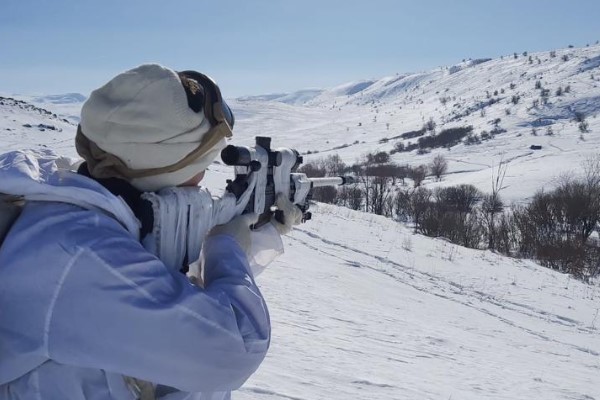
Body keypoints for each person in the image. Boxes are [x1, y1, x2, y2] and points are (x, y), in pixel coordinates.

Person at [0, 64, 300, 399]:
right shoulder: (79, 255)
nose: (202, 183)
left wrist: (258, 237)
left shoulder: (83, 208)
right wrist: (226, 248)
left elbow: (168, 320)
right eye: (199, 167)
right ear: (161, 169)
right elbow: (233, 351)